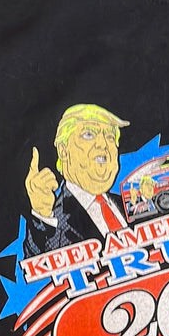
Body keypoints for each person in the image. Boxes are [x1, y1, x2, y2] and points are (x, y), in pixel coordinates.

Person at [23, 104, 129, 257]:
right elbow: (38, 262)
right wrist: (42, 216)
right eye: (88, 134)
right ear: (63, 150)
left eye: (110, 137)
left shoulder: (127, 204)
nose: (103, 144)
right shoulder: (53, 219)